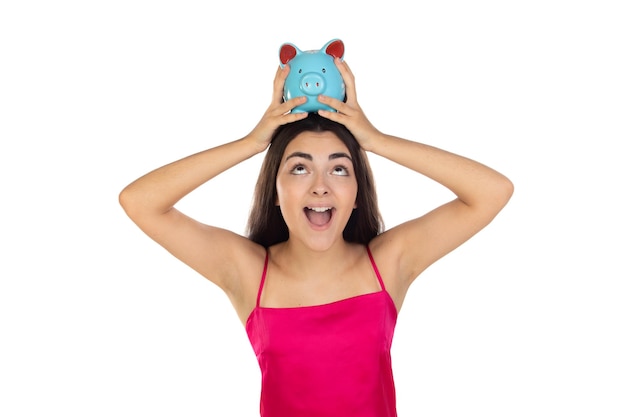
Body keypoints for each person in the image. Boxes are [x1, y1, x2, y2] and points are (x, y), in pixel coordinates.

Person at [119, 59, 514, 417]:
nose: (321, 187)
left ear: (357, 194)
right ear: (275, 192)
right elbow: (139, 201)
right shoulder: (249, 271)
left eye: (340, 170)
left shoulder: (388, 263)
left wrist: (374, 140)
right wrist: (252, 143)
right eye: (299, 169)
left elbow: (492, 192)